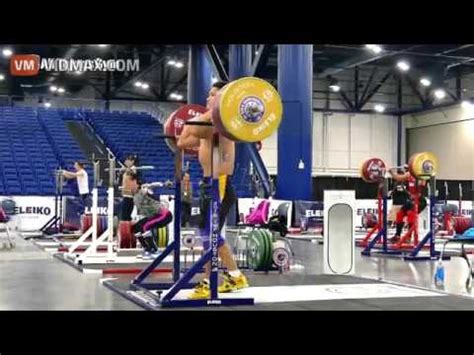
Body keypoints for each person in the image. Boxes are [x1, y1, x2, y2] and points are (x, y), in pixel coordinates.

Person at [177, 81, 249, 299]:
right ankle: (234, 277)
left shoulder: (223, 124)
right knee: (209, 235)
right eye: (209, 95)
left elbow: (191, 127)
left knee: (210, 235)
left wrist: (210, 113)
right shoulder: (210, 124)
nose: (208, 99)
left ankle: (213, 281)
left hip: (220, 184)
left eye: (213, 95)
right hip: (208, 183)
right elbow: (182, 140)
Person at [126, 172, 173, 259]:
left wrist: (164, 186)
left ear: (136, 182)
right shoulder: (134, 194)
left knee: (146, 226)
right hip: (153, 216)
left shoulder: (143, 190)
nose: (127, 184)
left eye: (129, 182)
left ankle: (155, 251)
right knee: (135, 228)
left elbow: (153, 188)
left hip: (164, 215)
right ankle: (147, 249)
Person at [388, 165, 427, 243]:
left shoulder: (421, 176)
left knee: (410, 214)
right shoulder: (408, 174)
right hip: (412, 201)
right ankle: (397, 235)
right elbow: (398, 178)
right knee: (400, 214)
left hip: (420, 201)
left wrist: (417, 176)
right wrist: (391, 172)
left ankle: (408, 237)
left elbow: (422, 182)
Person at [119, 154, 140, 222]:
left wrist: (127, 170)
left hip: (130, 195)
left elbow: (134, 174)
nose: (126, 161)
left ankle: (127, 227)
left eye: (128, 160)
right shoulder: (125, 169)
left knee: (126, 215)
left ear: (132, 161)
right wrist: (121, 171)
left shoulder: (134, 168)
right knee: (125, 214)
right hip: (126, 194)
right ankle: (126, 227)